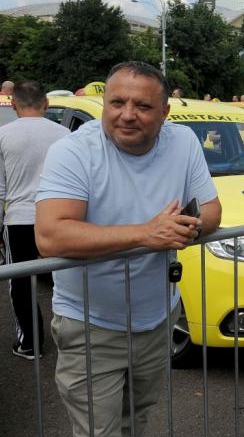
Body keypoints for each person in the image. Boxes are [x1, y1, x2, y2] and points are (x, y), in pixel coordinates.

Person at [35, 61, 222, 436]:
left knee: (136, 421)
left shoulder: (183, 142)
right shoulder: (73, 151)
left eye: (143, 106)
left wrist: (188, 226)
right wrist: (146, 234)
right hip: (90, 325)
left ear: (166, 112)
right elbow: (51, 236)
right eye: (117, 102)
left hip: (158, 318)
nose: (127, 115)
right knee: (99, 432)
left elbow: (212, 210)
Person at [0, 81, 69, 359]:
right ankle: (71, 339)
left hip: (19, 218)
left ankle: (30, 342)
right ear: (46, 103)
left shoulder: (3, 135)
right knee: (67, 276)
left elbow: (0, 189)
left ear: (14, 105)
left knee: (20, 281)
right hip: (61, 216)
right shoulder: (65, 134)